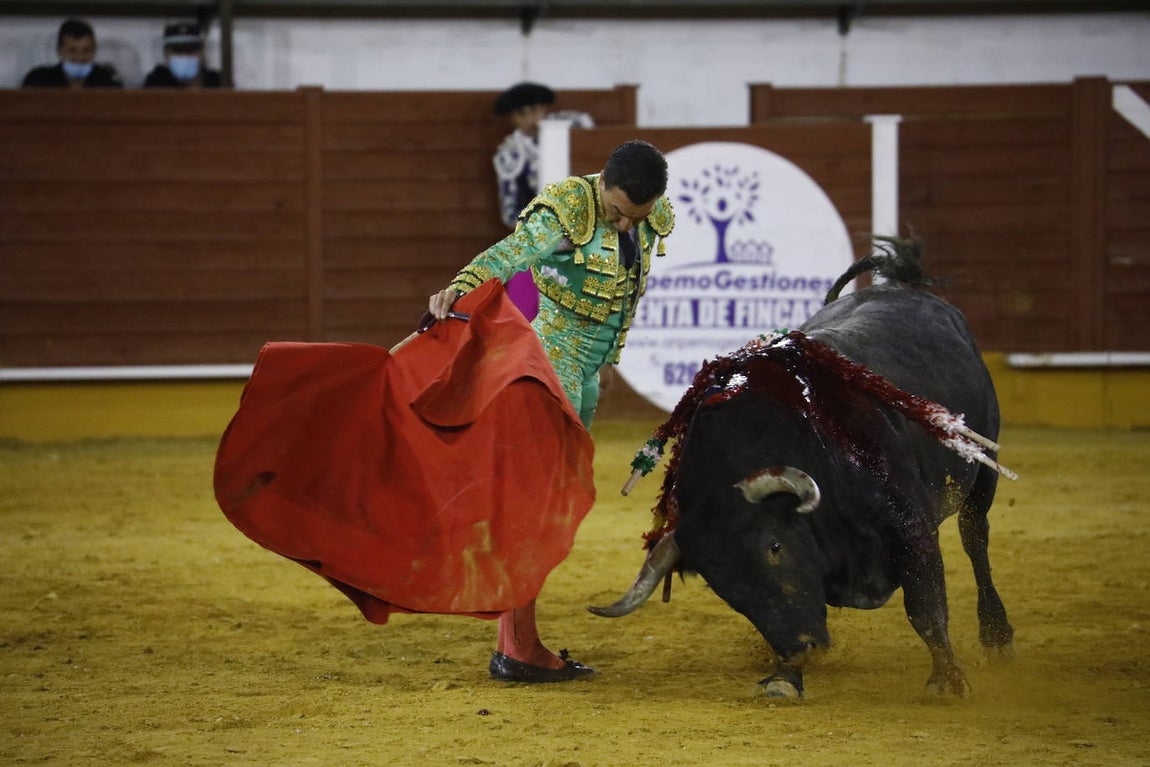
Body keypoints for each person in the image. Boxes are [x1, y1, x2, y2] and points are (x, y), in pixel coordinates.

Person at [428, 139, 675, 682]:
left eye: (638, 217)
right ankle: (516, 648)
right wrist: (462, 286)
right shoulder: (569, 208)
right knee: (535, 506)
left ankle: (519, 643)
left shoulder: (651, 218)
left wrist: (604, 362)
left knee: (552, 506)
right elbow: (508, 255)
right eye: (617, 213)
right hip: (547, 367)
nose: (627, 226)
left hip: (583, 378)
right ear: (602, 186)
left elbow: (621, 297)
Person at [492, 82, 595, 320]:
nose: (530, 118)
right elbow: (510, 212)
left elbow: (586, 123)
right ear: (512, 118)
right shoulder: (510, 154)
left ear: (544, 109)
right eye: (522, 113)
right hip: (534, 242)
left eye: (535, 110)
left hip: (582, 238)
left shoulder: (566, 130)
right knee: (524, 317)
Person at [21, 18, 123, 89]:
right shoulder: (39, 80)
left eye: (86, 51)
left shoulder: (108, 81)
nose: (79, 58)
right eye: (72, 50)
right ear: (59, 50)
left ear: (94, 50)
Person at [142, 22, 225, 89]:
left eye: (191, 51)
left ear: (202, 53)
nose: (185, 56)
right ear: (166, 54)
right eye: (178, 52)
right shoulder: (156, 83)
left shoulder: (218, 83)